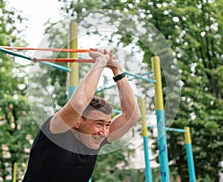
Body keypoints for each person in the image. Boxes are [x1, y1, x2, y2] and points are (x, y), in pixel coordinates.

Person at [22, 49, 140, 182]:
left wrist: (116, 69)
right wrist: (100, 62)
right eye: (99, 123)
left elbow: (132, 115)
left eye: (107, 124)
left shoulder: (96, 139)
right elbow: (79, 103)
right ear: (78, 121)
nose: (105, 132)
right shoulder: (56, 131)